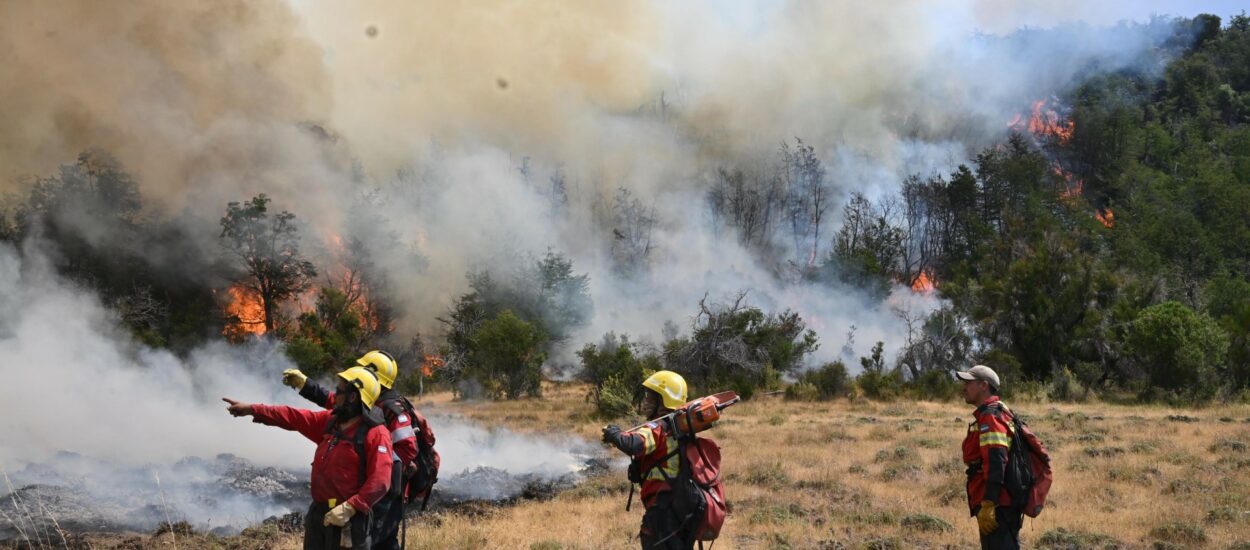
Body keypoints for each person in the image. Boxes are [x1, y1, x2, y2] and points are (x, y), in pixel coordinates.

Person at [224, 366, 392, 549]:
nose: (334, 396)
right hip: (318, 516)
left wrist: (351, 507)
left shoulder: (376, 434)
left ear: (353, 397)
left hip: (349, 522)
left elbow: (380, 480)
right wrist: (252, 409)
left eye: (339, 391)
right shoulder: (331, 421)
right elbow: (293, 417)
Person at [282, 351, 435, 550]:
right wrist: (305, 385)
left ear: (373, 375)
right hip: (371, 492)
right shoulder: (368, 402)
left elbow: (407, 448)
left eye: (363, 369)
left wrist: (378, 463)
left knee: (381, 541)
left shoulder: (393, 409)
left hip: (387, 495)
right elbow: (335, 401)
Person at [601, 370, 695, 550]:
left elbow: (635, 444)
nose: (645, 401)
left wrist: (614, 434)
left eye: (651, 397)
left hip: (663, 509)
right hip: (681, 505)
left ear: (664, 399)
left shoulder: (659, 426)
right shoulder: (679, 425)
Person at [957, 364, 1022, 549]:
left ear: (983, 385)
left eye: (969, 383)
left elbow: (996, 461)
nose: (964, 387)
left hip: (998, 504)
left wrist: (989, 504)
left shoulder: (990, 417)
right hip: (999, 501)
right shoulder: (994, 412)